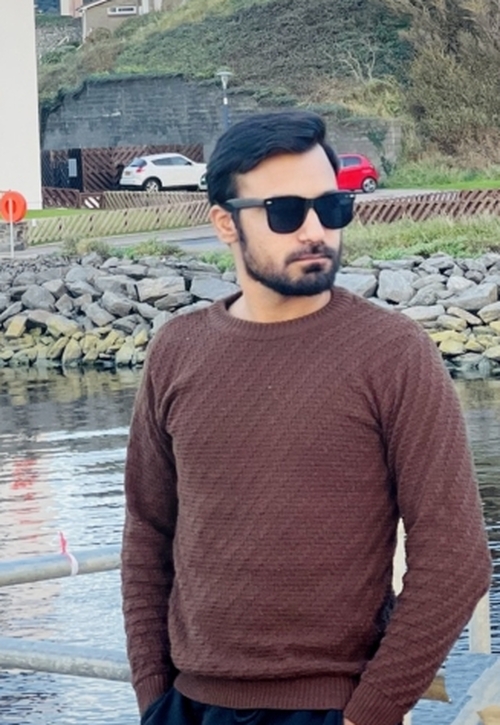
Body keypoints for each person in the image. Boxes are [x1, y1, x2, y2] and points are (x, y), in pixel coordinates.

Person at [121, 111, 492, 725]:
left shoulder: (393, 353)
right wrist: (154, 694)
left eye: (332, 207)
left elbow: (456, 558)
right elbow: (147, 531)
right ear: (225, 222)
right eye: (286, 212)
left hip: (330, 707)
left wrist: (368, 712)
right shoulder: (176, 350)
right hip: (187, 705)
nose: (316, 230)